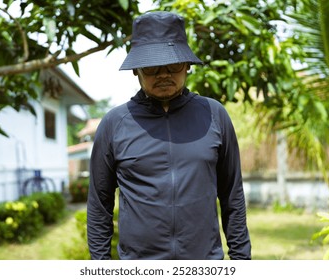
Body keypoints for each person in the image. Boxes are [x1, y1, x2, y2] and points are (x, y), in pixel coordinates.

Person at [87, 11, 251, 260]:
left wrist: (241, 262)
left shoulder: (214, 115)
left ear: (187, 66)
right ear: (136, 70)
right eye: (152, 67)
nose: (163, 74)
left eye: (173, 64)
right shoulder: (114, 124)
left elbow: (233, 197)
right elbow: (99, 206)